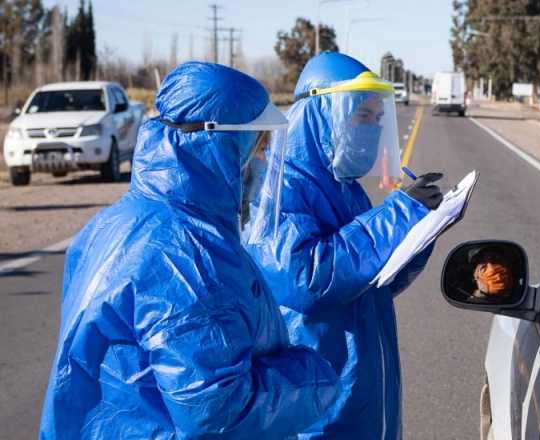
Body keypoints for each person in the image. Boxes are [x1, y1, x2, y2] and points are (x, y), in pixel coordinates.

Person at [39, 62, 340, 439]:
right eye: (259, 148)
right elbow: (216, 412)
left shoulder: (115, 221)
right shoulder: (186, 252)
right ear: (220, 144)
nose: (263, 163)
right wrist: (315, 378)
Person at [242, 52, 441, 439]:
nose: (371, 129)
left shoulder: (345, 188)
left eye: (377, 119)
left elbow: (371, 282)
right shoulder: (281, 187)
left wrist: (419, 234)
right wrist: (398, 216)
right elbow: (306, 279)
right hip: (317, 402)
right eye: (361, 117)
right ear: (321, 114)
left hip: (361, 390)